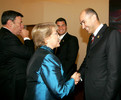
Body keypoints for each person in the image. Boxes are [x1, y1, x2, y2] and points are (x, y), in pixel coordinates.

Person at [24, 22, 81, 100]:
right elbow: (60, 91)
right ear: (46, 38)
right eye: (55, 34)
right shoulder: (48, 57)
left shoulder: (39, 53)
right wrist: (73, 80)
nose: (58, 36)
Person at [78, 8, 121, 100]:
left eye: (84, 22)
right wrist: (79, 75)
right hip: (90, 92)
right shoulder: (91, 38)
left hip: (103, 94)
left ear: (93, 17)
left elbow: (115, 73)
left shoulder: (112, 34)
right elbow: (87, 60)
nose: (83, 27)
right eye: (81, 23)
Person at [0, 10, 34, 100]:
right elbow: (29, 53)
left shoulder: (7, 36)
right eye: (20, 23)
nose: (22, 26)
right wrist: (26, 38)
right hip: (12, 82)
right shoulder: (7, 38)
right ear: (10, 23)